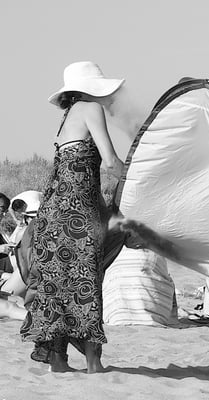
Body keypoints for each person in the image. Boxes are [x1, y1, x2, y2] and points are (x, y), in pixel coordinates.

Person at [20, 61, 125, 373]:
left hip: (53, 216)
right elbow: (110, 162)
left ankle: (58, 361)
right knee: (86, 283)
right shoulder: (91, 108)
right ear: (91, 88)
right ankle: (94, 364)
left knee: (57, 288)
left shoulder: (67, 118)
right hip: (77, 215)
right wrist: (140, 177)